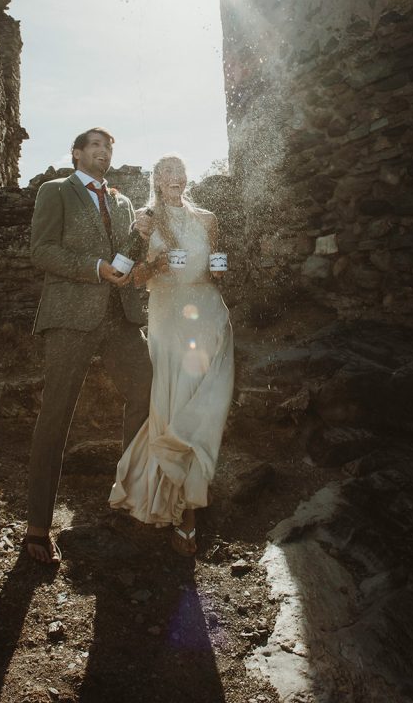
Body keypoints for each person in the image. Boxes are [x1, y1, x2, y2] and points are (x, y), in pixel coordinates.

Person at [24, 127, 152, 563]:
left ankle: (130, 496)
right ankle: (37, 527)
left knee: (149, 389)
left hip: (120, 318)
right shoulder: (55, 191)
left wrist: (140, 241)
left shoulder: (123, 201)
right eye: (95, 145)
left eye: (109, 146)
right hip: (69, 319)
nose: (104, 151)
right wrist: (95, 267)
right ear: (76, 153)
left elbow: (126, 260)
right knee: (56, 414)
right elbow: (42, 251)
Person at [109, 154, 234, 556]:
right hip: (167, 315)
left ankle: (194, 483)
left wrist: (217, 271)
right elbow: (130, 279)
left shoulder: (207, 219)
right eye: (166, 171)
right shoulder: (145, 221)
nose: (174, 176)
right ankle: (182, 507)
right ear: (157, 181)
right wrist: (158, 263)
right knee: (176, 399)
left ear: (186, 177)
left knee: (208, 400)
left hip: (207, 311)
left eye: (179, 170)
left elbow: (215, 264)